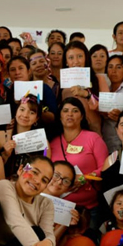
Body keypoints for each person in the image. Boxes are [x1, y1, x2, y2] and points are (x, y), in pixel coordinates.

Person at [48, 98, 108, 229]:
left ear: (81, 116)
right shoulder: (52, 143)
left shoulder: (93, 138)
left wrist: (83, 178)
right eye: (65, 111)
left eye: (75, 111)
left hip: (88, 209)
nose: (70, 114)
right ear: (60, 116)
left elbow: (105, 168)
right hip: (59, 209)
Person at [0, 96, 42, 176]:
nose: (25, 115)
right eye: (22, 109)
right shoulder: (0, 136)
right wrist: (5, 155)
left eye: (32, 112)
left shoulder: (41, 141)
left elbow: (44, 171)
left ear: (37, 119)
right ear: (16, 111)